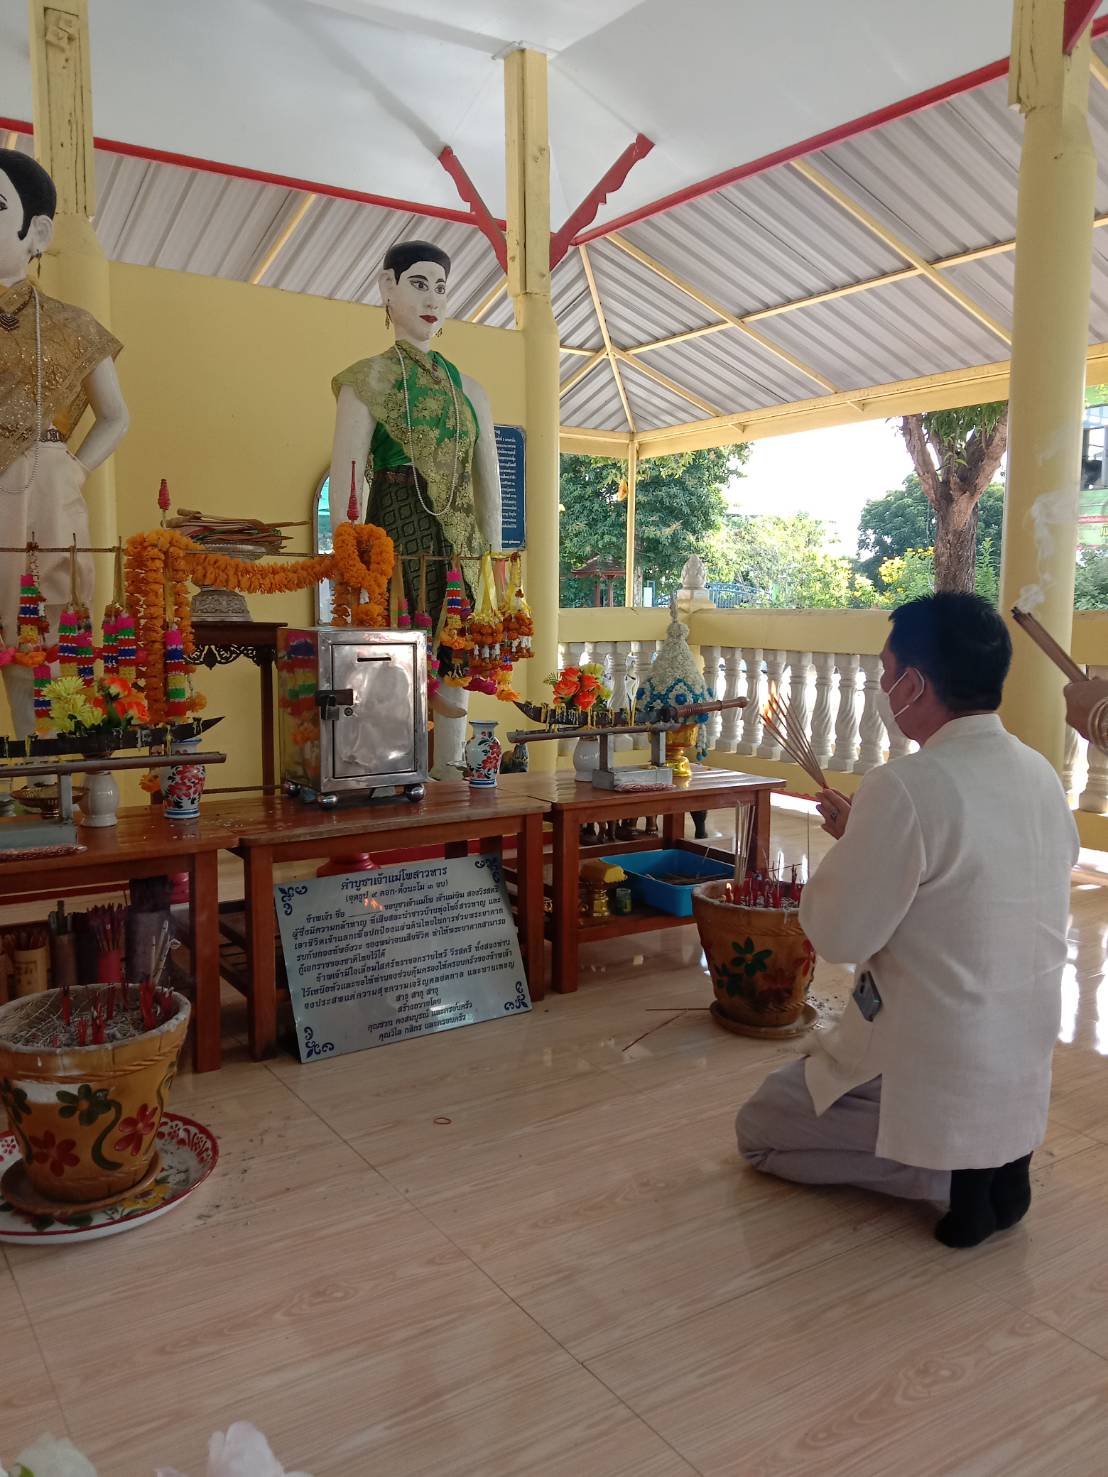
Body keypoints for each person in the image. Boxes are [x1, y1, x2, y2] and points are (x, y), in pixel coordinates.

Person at [737, 593, 1079, 1248]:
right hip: (1020, 1061)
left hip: (932, 1066)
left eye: (886, 673)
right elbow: (961, 891)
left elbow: (841, 934)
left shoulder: (907, 784)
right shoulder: (1040, 774)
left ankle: (946, 1172)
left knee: (760, 1126)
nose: (882, 687)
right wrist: (862, 837)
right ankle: (993, 1157)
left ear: (915, 683)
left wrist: (862, 842)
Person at [327, 239, 501, 778]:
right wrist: (350, 563)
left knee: (454, 659)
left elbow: (488, 485)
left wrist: (491, 565)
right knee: (391, 662)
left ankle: (450, 772)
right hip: (393, 533)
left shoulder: (471, 391)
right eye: (419, 284)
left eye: (442, 288)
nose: (432, 299)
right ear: (388, 288)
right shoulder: (368, 380)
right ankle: (390, 775)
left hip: (459, 545)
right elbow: (347, 477)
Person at [0, 147, 129, 736]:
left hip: (44, 486)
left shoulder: (72, 326)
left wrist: (72, 468)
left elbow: (116, 417)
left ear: (38, 232)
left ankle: (42, 769)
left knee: (40, 631)